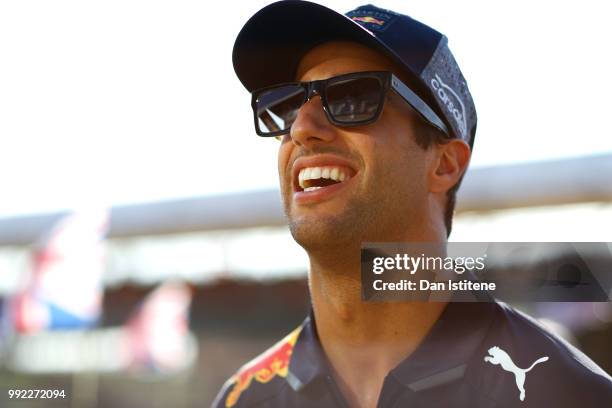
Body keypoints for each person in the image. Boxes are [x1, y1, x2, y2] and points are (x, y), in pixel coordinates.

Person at [213, 1, 612, 407]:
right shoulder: (243, 399)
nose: (302, 127)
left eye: (353, 98)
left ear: (444, 164)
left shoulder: (567, 394)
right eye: (287, 105)